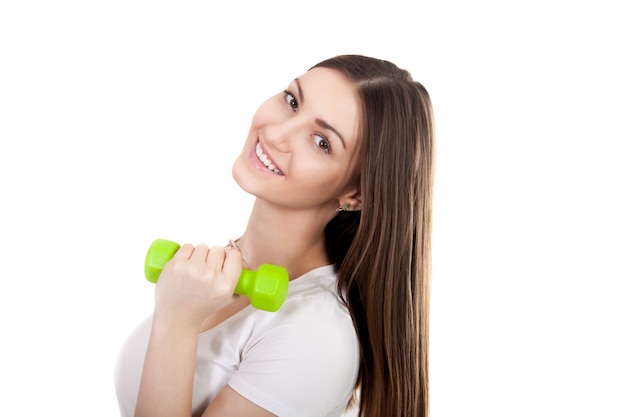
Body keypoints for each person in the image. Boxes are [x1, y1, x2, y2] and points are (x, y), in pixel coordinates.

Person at [115, 54, 435, 417]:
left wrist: (176, 320)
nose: (277, 133)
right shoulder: (221, 270)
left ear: (356, 194)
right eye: (292, 101)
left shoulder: (318, 334)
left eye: (321, 141)